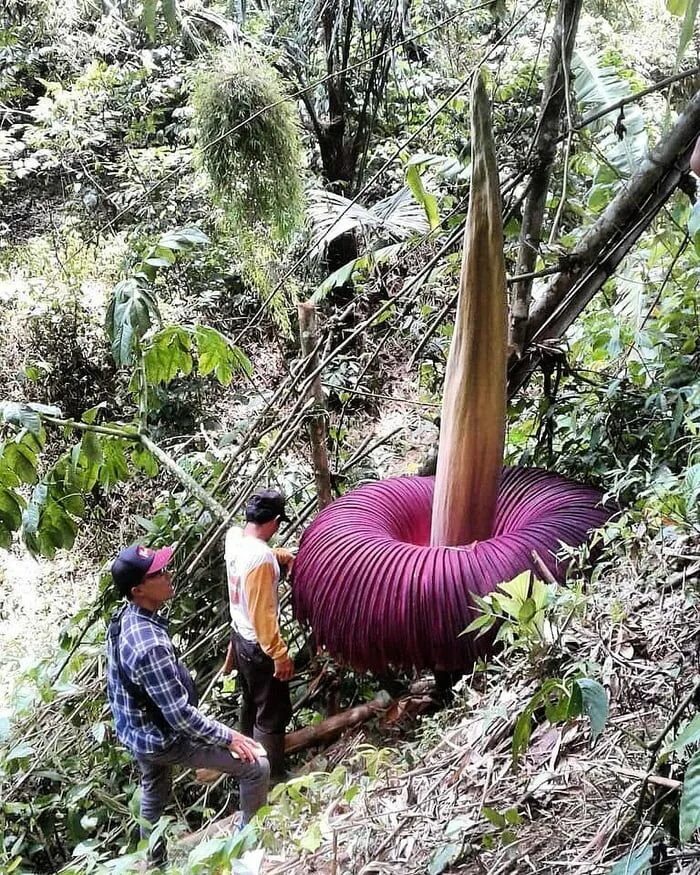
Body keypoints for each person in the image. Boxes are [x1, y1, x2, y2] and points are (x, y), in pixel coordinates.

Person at [106, 543, 269, 865]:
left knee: (153, 789)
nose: (168, 576)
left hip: (138, 731)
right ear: (138, 590)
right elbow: (180, 717)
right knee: (256, 767)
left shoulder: (127, 617)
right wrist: (230, 737)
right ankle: (246, 854)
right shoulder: (149, 645)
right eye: (159, 574)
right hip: (162, 736)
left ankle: (152, 865)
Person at [223, 489, 295, 781]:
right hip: (258, 645)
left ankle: (246, 766)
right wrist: (279, 654)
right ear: (275, 521)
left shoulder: (234, 538)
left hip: (240, 639)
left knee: (252, 703)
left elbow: (250, 562)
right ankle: (271, 777)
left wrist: (280, 555)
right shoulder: (261, 559)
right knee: (273, 713)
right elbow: (262, 615)